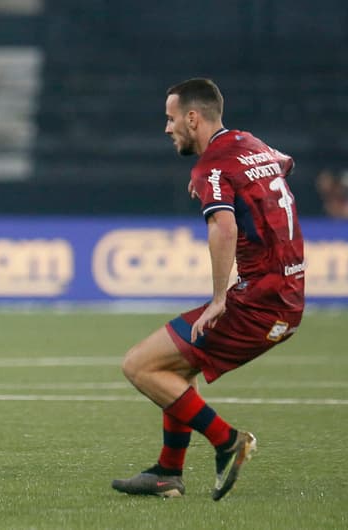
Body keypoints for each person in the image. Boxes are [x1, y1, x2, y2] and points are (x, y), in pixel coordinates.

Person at [111, 78, 305, 501]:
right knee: (176, 368)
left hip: (258, 301)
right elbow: (282, 165)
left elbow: (223, 226)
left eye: (171, 118)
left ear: (193, 118)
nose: (167, 128)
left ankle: (228, 440)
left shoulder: (212, 166)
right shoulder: (250, 144)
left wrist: (219, 298)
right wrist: (229, 184)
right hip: (287, 297)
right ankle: (168, 472)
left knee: (139, 366)